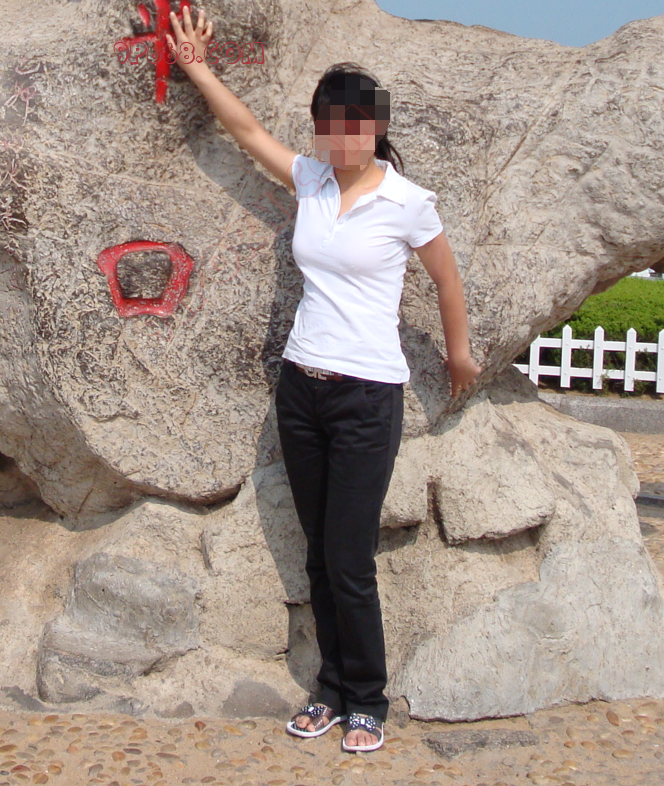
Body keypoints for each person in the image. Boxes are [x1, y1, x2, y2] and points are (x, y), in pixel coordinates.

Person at [168, 6, 483, 753]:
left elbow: (446, 280)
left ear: (375, 128)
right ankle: (329, 691)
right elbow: (247, 133)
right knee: (318, 552)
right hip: (301, 387)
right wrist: (198, 68)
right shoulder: (310, 179)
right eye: (327, 128)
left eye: (352, 127)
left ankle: (365, 697)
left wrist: (460, 354)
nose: (339, 141)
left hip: (368, 395)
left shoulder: (407, 202)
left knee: (348, 558)